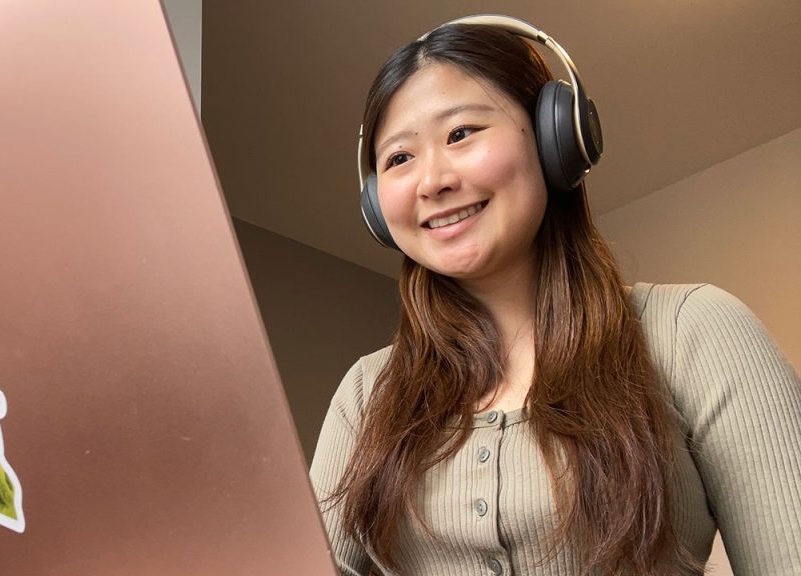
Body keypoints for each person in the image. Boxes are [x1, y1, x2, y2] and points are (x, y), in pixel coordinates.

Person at [309, 15, 801, 576]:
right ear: (376, 204)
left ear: (555, 138)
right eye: (399, 158)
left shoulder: (697, 329)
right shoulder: (367, 392)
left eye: (461, 133)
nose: (432, 180)